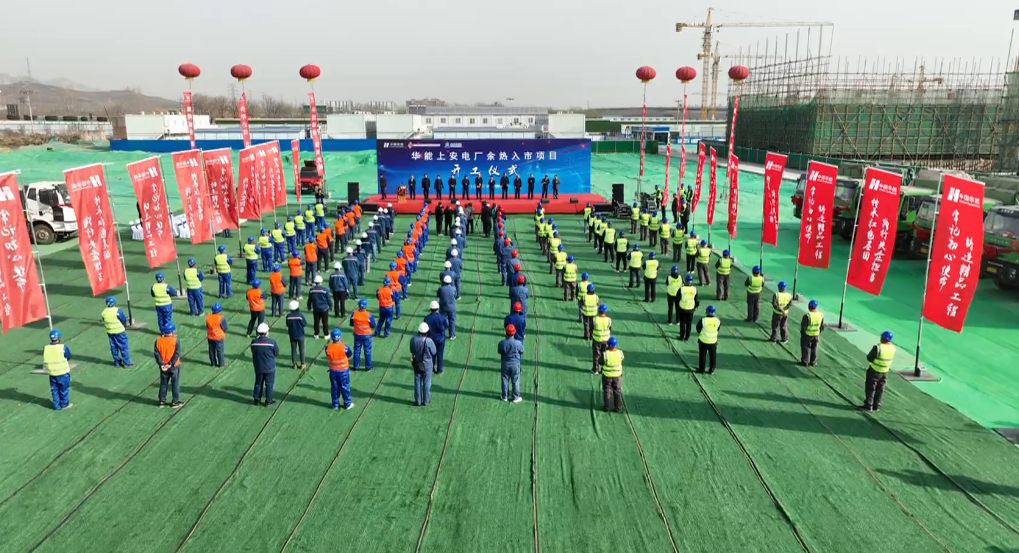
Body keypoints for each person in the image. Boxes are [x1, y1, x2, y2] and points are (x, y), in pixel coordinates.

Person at [861, 331, 896, 412]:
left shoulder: (878, 347)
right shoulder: (893, 348)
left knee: (871, 388)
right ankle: (876, 405)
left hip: (875, 371)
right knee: (880, 389)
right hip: (885, 372)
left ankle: (868, 405)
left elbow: (869, 357)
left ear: (883, 338)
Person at [153, 323, 185, 408]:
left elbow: (157, 354)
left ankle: (162, 401)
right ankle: (175, 401)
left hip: (163, 367)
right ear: (172, 331)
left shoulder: (158, 341)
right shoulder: (175, 340)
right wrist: (171, 363)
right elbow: (177, 353)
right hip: (174, 366)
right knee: (175, 384)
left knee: (163, 384)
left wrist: (162, 364)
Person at [324, 328, 355, 410]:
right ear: (340, 337)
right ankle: (347, 404)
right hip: (343, 371)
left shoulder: (327, 348)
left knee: (334, 388)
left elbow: (328, 355)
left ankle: (335, 404)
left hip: (333, 371)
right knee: (345, 387)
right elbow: (349, 354)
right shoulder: (345, 347)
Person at [44, 329, 73, 411]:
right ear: (59, 338)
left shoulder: (46, 348)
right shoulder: (63, 347)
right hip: (63, 373)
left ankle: (57, 406)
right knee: (64, 389)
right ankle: (65, 404)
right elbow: (68, 356)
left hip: (52, 373)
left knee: (54, 390)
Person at [251, 323, 280, 406]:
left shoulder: (254, 342)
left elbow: (253, 351)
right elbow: (276, 352)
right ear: (266, 332)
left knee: (258, 382)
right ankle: (268, 400)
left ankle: (256, 399)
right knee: (269, 384)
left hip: (258, 366)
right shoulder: (272, 342)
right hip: (270, 367)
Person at [101, 297, 133, 368]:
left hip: (110, 332)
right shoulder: (117, 311)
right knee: (124, 347)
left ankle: (117, 362)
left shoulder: (104, 312)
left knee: (114, 348)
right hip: (120, 332)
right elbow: (124, 320)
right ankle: (127, 363)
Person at [410, 322, 437, 406]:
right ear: (427, 332)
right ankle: (426, 400)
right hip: (427, 364)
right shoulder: (429, 341)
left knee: (417, 382)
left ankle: (418, 401)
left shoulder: (413, 339)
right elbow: (434, 351)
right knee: (427, 383)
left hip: (417, 363)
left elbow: (412, 350)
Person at [499, 324, 525, 402]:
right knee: (515, 381)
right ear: (514, 333)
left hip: (505, 364)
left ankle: (505, 396)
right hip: (515, 365)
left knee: (505, 380)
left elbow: (500, 351)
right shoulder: (518, 343)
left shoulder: (502, 343)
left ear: (506, 332)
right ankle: (516, 397)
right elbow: (522, 351)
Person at [423, 301, 449, 374]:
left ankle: (431, 369)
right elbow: (446, 326)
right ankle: (440, 369)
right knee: (440, 354)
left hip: (431, 339)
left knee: (431, 354)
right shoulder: (442, 318)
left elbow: (425, 329)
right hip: (441, 339)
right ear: (438, 308)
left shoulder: (427, 318)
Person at [350, 298, 376, 370]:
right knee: (367, 351)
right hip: (367, 335)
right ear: (365, 306)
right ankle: (368, 367)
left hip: (357, 335)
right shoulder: (369, 315)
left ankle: (356, 366)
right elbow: (373, 325)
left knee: (357, 350)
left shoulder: (354, 314)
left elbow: (351, 324)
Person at [601, 336, 624, 412]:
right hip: (618, 376)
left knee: (607, 391)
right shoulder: (620, 353)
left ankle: (607, 407)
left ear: (608, 345)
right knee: (617, 391)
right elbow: (622, 362)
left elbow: (600, 362)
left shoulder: (605, 354)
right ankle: (618, 407)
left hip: (607, 376)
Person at [800, 300, 825, 367]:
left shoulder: (807, 315)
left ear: (809, 306)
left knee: (806, 347)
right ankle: (813, 362)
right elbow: (822, 326)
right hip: (816, 334)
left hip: (808, 334)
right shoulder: (821, 315)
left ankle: (805, 361)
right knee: (815, 348)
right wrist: (819, 332)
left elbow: (804, 327)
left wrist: (802, 333)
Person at [696, 305, 721, 374]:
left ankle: (702, 369)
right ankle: (712, 369)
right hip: (713, 341)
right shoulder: (717, 321)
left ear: (706, 311)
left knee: (702, 356)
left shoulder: (703, 320)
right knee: (713, 356)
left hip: (703, 341)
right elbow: (718, 329)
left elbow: (698, 329)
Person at [307, 275, 333, 339]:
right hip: (324, 309)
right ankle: (326, 334)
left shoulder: (311, 290)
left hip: (316, 308)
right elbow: (328, 299)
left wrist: (309, 306)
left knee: (316, 322)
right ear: (321, 281)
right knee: (325, 322)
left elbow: (310, 299)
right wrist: (331, 306)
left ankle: (316, 334)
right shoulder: (325, 290)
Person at [285, 300, 308, 369]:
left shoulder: (288, 316)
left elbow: (287, 324)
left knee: (293, 349)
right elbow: (304, 324)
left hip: (292, 335)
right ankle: (303, 363)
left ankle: (294, 364)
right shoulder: (300, 315)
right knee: (301, 349)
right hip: (300, 335)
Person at [591, 304, 612, 373]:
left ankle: (596, 369)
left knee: (596, 355)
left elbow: (591, 328)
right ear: (605, 311)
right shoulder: (609, 320)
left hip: (596, 340)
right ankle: (604, 369)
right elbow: (610, 329)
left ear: (598, 311)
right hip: (606, 340)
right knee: (605, 355)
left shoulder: (595, 319)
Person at [678, 275, 699, 341]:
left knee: (682, 323)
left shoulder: (682, 289)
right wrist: (695, 307)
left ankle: (682, 336)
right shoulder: (694, 289)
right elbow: (696, 300)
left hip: (682, 308)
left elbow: (677, 298)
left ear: (685, 281)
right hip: (691, 309)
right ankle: (687, 337)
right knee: (689, 324)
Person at [206, 303, 227, 368]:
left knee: (211, 350)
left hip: (210, 336)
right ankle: (221, 364)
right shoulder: (221, 318)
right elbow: (225, 327)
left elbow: (207, 326)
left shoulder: (208, 317)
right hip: (219, 337)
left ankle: (213, 363)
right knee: (220, 350)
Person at [437, 275, 457, 340]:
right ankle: (452, 335)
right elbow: (455, 296)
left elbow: (438, 296)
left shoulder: (441, 289)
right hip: (452, 308)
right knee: (452, 321)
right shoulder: (453, 288)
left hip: (443, 307)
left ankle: (442, 334)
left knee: (442, 321)